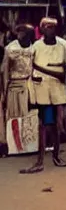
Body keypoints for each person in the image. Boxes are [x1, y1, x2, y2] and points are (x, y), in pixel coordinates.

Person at [20, 18, 66, 174]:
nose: (50, 29)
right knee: (43, 124)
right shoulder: (36, 46)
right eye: (47, 27)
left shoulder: (64, 45)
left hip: (58, 88)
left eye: (52, 27)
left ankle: (56, 156)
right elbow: (29, 69)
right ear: (41, 29)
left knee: (57, 123)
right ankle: (40, 160)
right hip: (41, 87)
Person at [1, 24, 36, 156]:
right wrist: (4, 92)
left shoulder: (34, 49)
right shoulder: (10, 49)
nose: (22, 35)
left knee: (28, 117)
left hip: (30, 86)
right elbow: (5, 72)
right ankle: (13, 146)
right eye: (21, 32)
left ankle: (28, 145)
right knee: (14, 117)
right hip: (14, 87)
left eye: (25, 32)